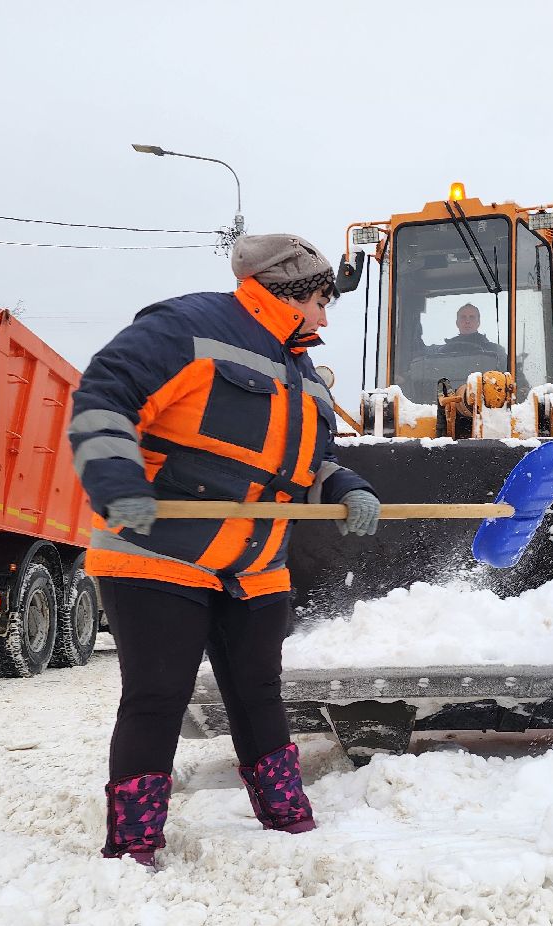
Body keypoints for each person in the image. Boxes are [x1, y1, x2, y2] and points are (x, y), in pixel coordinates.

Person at [69, 233, 380, 867]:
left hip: (255, 565)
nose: (326, 317)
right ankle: (132, 845)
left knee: (259, 691)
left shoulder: (306, 374)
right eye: (322, 301)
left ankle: (285, 816)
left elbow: (310, 460)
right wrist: (117, 483)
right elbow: (104, 395)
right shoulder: (191, 326)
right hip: (161, 554)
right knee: (159, 695)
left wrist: (345, 484)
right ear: (291, 290)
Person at [441, 302, 506, 363]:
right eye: (463, 317)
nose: (467, 321)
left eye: (472, 317)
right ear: (457, 323)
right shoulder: (441, 352)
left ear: (478, 323)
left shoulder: (495, 351)